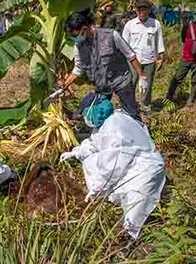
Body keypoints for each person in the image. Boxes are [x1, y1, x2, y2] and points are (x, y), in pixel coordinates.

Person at [60, 93, 166, 239]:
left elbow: (112, 165)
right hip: (133, 164)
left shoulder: (113, 128)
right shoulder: (112, 120)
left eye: (85, 113)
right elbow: (94, 143)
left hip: (145, 170)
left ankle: (130, 241)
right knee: (90, 161)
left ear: (94, 110)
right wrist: (76, 152)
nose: (85, 118)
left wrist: (96, 188)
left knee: (134, 212)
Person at [57, 9, 146, 121]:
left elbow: (131, 56)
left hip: (121, 81)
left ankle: (141, 133)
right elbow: (78, 69)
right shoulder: (79, 47)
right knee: (97, 113)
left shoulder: (111, 36)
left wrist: (142, 76)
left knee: (132, 114)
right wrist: (64, 85)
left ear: (84, 28)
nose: (76, 39)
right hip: (102, 85)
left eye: (76, 35)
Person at [122, 0, 166, 112]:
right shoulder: (130, 25)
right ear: (136, 11)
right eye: (139, 9)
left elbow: (159, 41)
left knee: (147, 85)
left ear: (149, 10)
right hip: (133, 61)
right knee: (130, 84)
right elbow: (123, 44)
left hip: (149, 60)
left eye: (144, 9)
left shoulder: (155, 24)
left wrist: (161, 57)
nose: (142, 12)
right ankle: (128, 106)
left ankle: (145, 107)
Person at [166, 8, 196, 105]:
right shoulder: (188, 25)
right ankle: (168, 98)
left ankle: (190, 100)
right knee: (178, 78)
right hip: (187, 57)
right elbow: (183, 38)